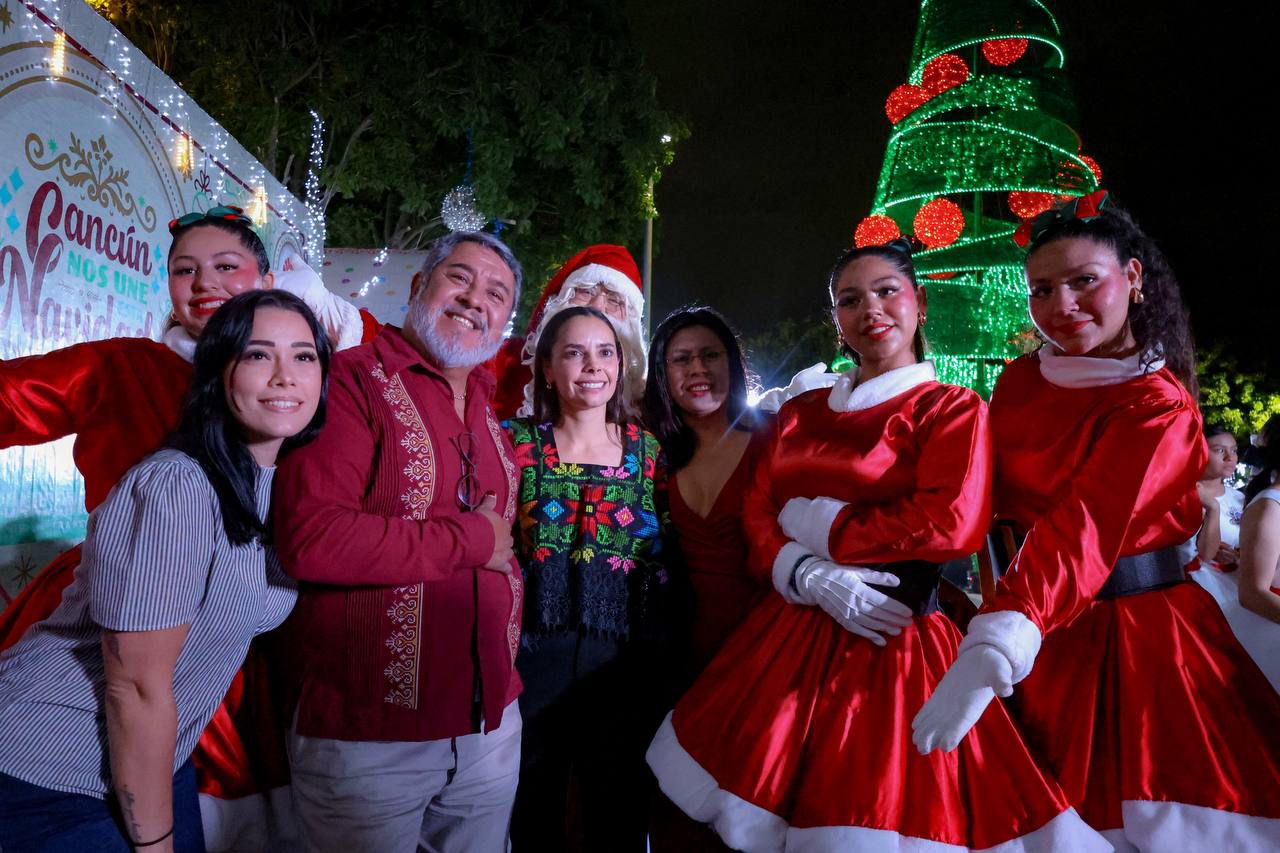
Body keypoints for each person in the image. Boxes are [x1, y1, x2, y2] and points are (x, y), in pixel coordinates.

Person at [646, 238, 1103, 852]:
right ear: (835, 317)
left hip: (894, 638)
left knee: (872, 812)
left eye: (887, 291)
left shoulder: (951, 409)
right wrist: (804, 570)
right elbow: (757, 510)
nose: (871, 310)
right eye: (850, 299)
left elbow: (953, 522)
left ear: (917, 301)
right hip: (787, 634)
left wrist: (823, 527)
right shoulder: (804, 411)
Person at [912, 192, 1280, 851]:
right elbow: (974, 494)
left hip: (1136, 642)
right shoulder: (1020, 383)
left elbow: (1087, 525)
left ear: (1133, 278)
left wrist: (994, 646)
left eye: (1085, 281)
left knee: (1139, 820)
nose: (1063, 305)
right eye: (1043, 288)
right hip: (1033, 632)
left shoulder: (1158, 403)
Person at [0, 206, 351, 850]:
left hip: (181, 709)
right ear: (223, 372)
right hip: (76, 728)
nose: (204, 283)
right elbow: (134, 686)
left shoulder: (280, 458)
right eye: (184, 270)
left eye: (302, 358)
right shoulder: (171, 471)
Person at [273, 231, 524, 853]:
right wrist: (468, 541)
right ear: (418, 287)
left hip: (489, 727)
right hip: (370, 739)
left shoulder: (488, 407)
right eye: (459, 279)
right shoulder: (352, 382)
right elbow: (311, 538)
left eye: (496, 293)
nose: (474, 300)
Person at [506, 305, 677, 851]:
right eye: (574, 352)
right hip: (535, 654)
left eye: (605, 352)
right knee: (533, 803)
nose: (592, 366)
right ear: (548, 369)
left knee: (619, 808)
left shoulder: (649, 452)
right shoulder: (517, 444)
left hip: (624, 660)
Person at [643, 306, 770, 672]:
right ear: (662, 375)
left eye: (710, 355)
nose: (698, 369)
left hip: (771, 647)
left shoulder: (779, 438)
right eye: (681, 359)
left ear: (732, 363)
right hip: (681, 656)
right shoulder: (649, 455)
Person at [490, 244, 647, 418]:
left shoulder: (647, 402)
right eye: (586, 292)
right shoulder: (498, 362)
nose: (597, 307)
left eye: (614, 301)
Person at [1179, 425, 1244, 570]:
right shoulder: (1180, 494)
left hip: (1231, 584)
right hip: (1193, 580)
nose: (1229, 457)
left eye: (1234, 450)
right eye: (1220, 450)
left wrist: (1238, 555)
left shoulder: (1240, 499)